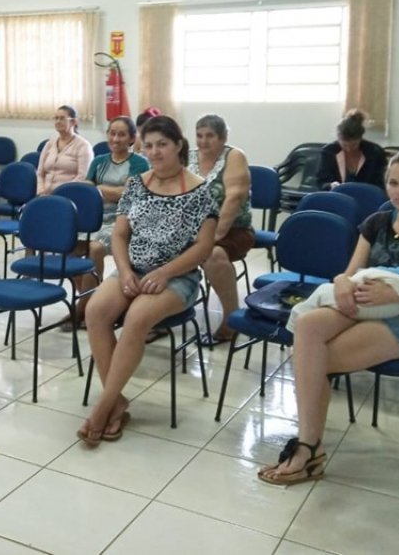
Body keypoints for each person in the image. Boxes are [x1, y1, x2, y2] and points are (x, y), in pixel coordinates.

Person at [258, 149, 399, 485]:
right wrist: (341, 283)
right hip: (364, 303)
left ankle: (309, 447)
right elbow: (350, 272)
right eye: (393, 183)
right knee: (310, 327)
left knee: (313, 360)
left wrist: (394, 294)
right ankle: (310, 446)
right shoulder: (377, 223)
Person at [78, 116, 218, 445]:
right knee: (95, 311)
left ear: (179, 146)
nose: (154, 152)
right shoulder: (137, 183)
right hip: (133, 269)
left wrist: (165, 272)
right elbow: (120, 233)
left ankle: (103, 408)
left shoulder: (199, 190)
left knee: (138, 317)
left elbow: (204, 248)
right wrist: (125, 272)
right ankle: (117, 401)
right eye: (149, 145)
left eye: (162, 145)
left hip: (176, 277)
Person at [59, 116, 150, 331]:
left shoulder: (139, 163)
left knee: (95, 247)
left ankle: (82, 310)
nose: (115, 138)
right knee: (67, 249)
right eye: (112, 133)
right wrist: (110, 191)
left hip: (122, 221)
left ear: (131, 138)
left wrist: (99, 189)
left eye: (121, 134)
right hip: (93, 218)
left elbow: (129, 195)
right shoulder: (99, 161)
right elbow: (87, 190)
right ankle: (89, 299)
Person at [189, 114, 255, 344]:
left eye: (210, 136)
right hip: (190, 229)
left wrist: (212, 237)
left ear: (223, 137)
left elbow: (234, 198)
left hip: (232, 229)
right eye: (199, 135)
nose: (203, 141)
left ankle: (231, 318)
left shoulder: (234, 156)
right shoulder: (188, 157)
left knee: (212, 254)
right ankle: (158, 316)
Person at [316, 109, 387, 190]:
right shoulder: (328, 152)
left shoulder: (375, 152)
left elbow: (382, 182)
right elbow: (321, 181)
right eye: (344, 145)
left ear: (361, 138)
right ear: (338, 138)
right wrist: (331, 185)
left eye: (354, 145)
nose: (349, 149)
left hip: (368, 197)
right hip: (336, 197)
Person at [37, 105, 93, 195]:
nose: (58, 121)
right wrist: (40, 191)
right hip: (44, 195)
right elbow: (40, 173)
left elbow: (83, 176)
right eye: (56, 118)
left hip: (68, 196)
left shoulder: (83, 145)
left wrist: (62, 192)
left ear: (74, 122)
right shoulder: (49, 144)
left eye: (62, 118)